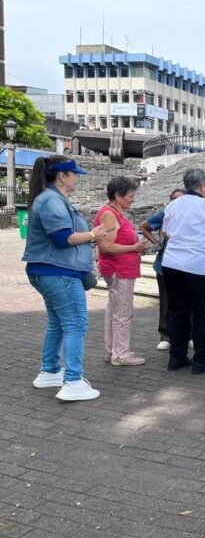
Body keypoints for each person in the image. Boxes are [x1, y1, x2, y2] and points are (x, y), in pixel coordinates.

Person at [22, 155, 109, 401]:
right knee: (76, 324)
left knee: (59, 323)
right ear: (62, 176)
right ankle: (72, 381)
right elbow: (64, 238)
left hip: (52, 272)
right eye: (74, 174)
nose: (77, 179)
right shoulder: (51, 200)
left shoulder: (51, 198)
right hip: (58, 272)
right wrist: (94, 234)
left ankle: (50, 371)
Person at [162, 169, 205, 374]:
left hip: (172, 264)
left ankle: (177, 357)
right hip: (198, 266)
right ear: (203, 186)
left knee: (178, 312)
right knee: (202, 314)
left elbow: (167, 232)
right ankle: (202, 359)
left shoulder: (173, 204)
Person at [94, 177, 151, 366]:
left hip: (120, 268)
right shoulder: (109, 215)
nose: (132, 199)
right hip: (120, 269)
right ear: (118, 196)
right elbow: (106, 247)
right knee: (122, 312)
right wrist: (134, 248)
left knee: (114, 310)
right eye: (130, 196)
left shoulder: (113, 213)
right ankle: (120, 354)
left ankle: (113, 350)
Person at [139, 188, 186, 350]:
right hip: (164, 265)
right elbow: (144, 226)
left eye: (180, 199)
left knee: (188, 302)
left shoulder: (191, 215)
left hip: (186, 265)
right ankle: (165, 335)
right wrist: (156, 243)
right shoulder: (164, 213)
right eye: (173, 198)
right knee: (166, 302)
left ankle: (188, 335)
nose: (176, 202)